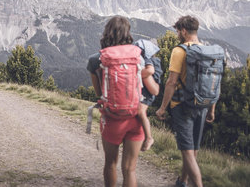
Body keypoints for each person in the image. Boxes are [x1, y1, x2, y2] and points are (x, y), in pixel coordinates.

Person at [156, 15, 215, 187]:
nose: (177, 35)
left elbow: (171, 82)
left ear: (183, 31)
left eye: (177, 31)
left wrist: (162, 108)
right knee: (193, 150)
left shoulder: (179, 51)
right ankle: (183, 181)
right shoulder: (206, 51)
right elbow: (212, 84)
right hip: (203, 105)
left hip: (182, 106)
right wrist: (211, 109)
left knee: (187, 152)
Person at [87, 16, 144, 187]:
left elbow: (99, 93)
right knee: (130, 169)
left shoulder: (96, 59)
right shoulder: (138, 57)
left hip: (112, 118)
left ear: (107, 32)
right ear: (128, 33)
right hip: (136, 117)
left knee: (111, 164)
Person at [134, 39, 160, 151]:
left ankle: (149, 137)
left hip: (148, 92)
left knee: (140, 111)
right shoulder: (150, 58)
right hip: (146, 89)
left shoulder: (149, 59)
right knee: (137, 112)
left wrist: (135, 74)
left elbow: (150, 71)